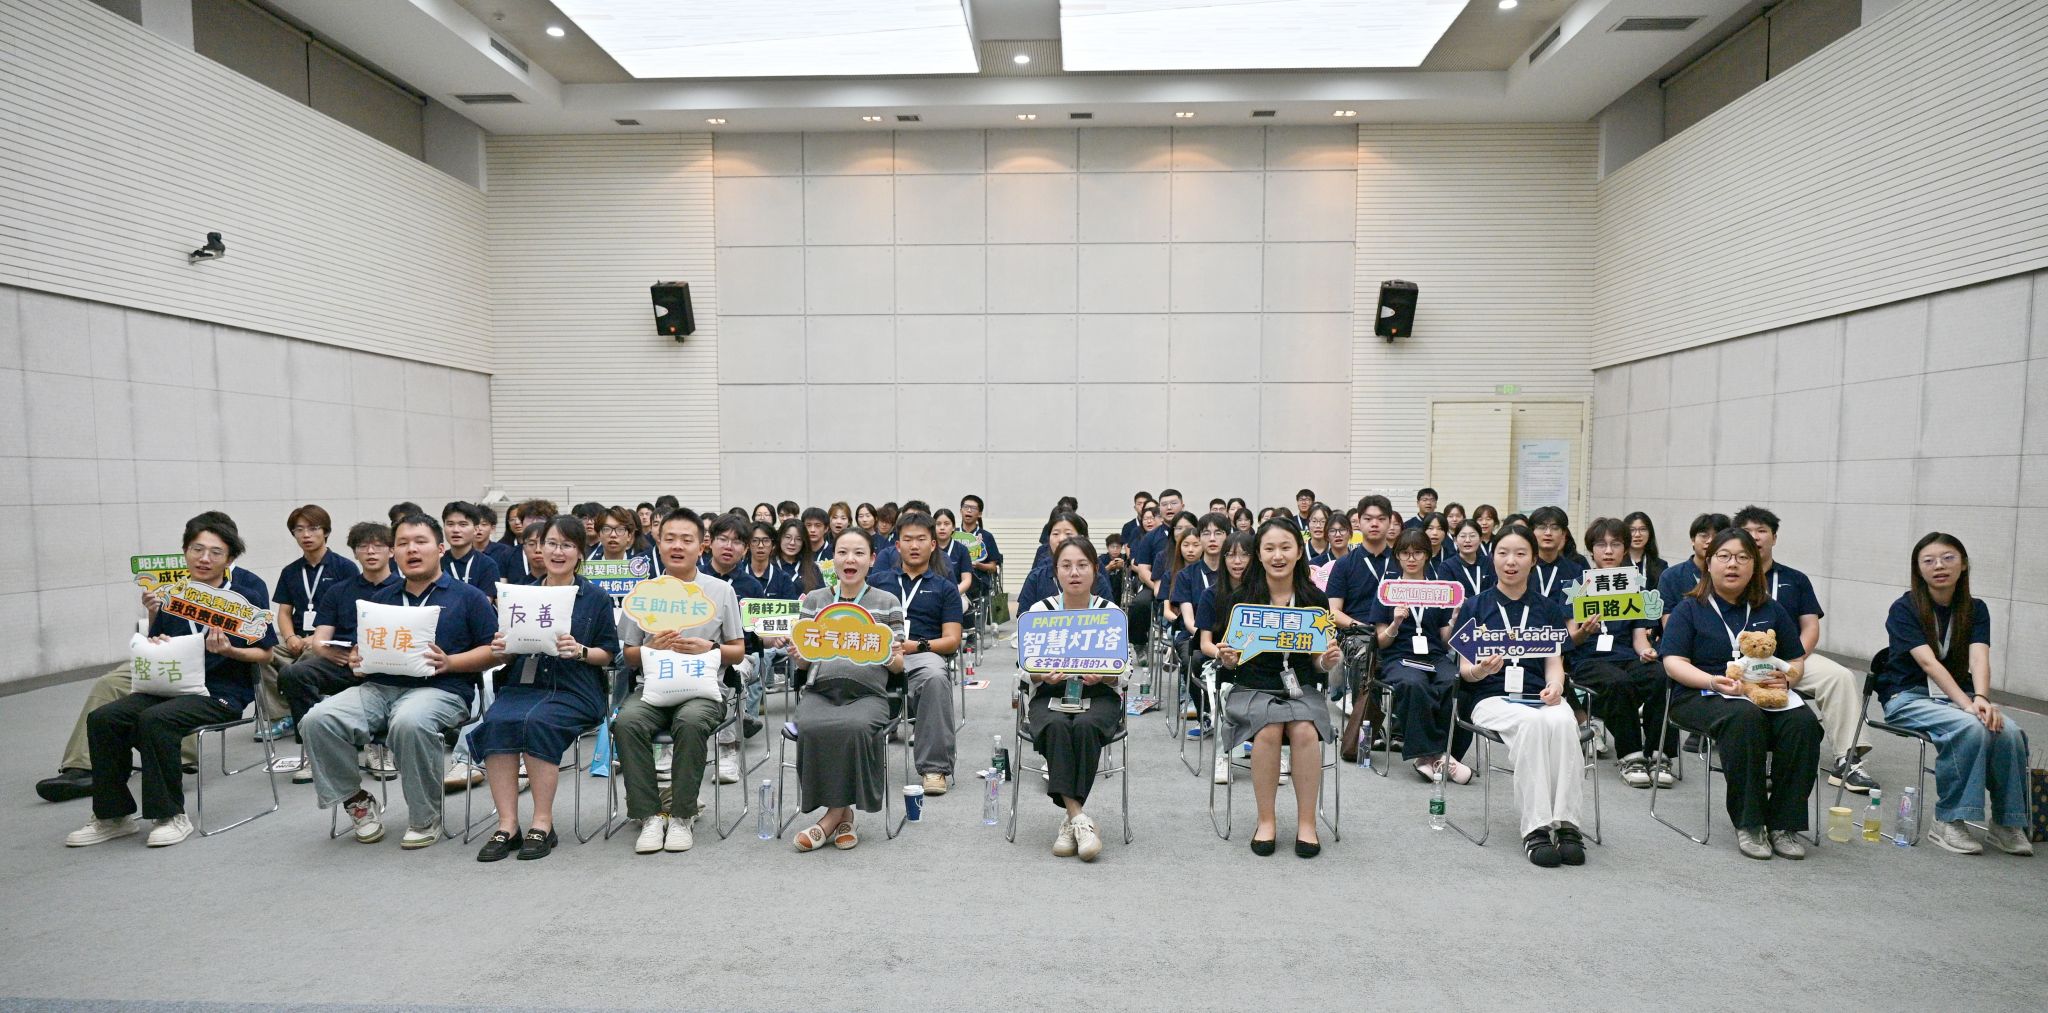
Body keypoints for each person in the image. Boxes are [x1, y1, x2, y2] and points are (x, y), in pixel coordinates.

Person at [65, 515, 279, 848]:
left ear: (229, 559)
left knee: (155, 720)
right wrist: (155, 633)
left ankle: (171, 815)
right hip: (170, 684)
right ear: (185, 552)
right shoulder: (173, 595)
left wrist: (230, 651)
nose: (204, 558)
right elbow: (157, 639)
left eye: (215, 552)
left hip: (219, 693)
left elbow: (265, 654)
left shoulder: (243, 598)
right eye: (197, 549)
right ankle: (113, 816)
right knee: (104, 718)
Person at [302, 514, 498, 850]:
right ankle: (357, 801)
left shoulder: (468, 597)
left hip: (442, 690)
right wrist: (358, 660)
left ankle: (425, 817)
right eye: (403, 543)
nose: (412, 549)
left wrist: (451, 662)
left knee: (409, 721)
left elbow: (495, 651)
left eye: (420, 542)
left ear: (440, 549)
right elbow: (364, 649)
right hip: (378, 688)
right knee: (318, 719)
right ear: (394, 552)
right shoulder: (381, 599)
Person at [1660, 528, 1820, 861]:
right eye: (1724, 556)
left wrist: (1788, 678)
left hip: (1762, 693)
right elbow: (1673, 662)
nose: (1733, 564)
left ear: (1754, 566)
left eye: (1743, 557)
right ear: (1709, 563)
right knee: (1744, 718)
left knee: (1803, 723)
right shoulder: (1689, 608)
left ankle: (1784, 823)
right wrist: (1711, 680)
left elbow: (1795, 659)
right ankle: (1751, 822)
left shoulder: (1770, 609)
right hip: (1701, 694)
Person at [469, 517, 619, 862]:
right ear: (539, 548)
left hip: (575, 687)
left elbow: (608, 654)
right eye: (551, 543)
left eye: (567, 545)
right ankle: (507, 825)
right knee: (498, 722)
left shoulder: (595, 598)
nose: (557, 551)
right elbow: (505, 652)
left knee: (538, 722)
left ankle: (542, 823)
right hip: (524, 683)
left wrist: (581, 651)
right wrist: (501, 647)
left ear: (580, 553)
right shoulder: (521, 594)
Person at [1874, 534, 2032, 856]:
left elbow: (1979, 658)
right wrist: (1968, 706)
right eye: (1929, 561)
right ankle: (1948, 820)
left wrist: (1982, 699)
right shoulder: (1904, 608)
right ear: (1918, 570)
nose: (1939, 566)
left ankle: (2006, 822)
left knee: (2010, 731)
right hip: (1908, 697)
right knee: (1970, 727)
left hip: (1959, 697)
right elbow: (1928, 663)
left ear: (1964, 565)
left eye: (1948, 558)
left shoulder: (1975, 609)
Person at [1450, 524, 1592, 868]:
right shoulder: (1474, 606)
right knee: (1533, 724)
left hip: (1537, 695)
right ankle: (1536, 828)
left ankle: (1567, 823)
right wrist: (1481, 670)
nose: (1510, 561)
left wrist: (1556, 687)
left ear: (1533, 560)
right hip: (1489, 698)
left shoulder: (1548, 608)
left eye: (1520, 554)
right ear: (1493, 558)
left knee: (1563, 721)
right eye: (1503, 553)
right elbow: (1464, 670)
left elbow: (1554, 664)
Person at [613, 509, 748, 855]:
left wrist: (710, 648)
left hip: (703, 691)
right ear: (657, 545)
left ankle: (682, 815)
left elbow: (738, 651)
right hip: (652, 689)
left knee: (689, 721)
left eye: (686, 540)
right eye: (669, 539)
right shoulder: (642, 593)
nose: (677, 546)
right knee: (627, 722)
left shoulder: (720, 591)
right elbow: (628, 656)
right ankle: (649, 814)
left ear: (701, 546)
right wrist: (650, 648)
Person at [1207, 521, 1344, 858]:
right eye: (1269, 548)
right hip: (1251, 686)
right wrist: (1228, 658)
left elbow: (1316, 663)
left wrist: (1326, 661)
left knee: (1304, 730)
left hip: (1300, 687)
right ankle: (1265, 821)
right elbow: (1231, 661)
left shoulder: (1314, 599)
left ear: (1299, 552)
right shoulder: (1241, 599)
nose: (1278, 555)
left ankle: (1307, 824)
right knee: (1268, 729)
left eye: (1285, 547)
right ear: (1259, 554)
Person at [1732, 505, 1873, 794]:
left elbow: (1810, 627)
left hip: (1789, 658)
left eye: (1762, 531)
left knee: (1840, 676)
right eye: (1748, 531)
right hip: (1742, 662)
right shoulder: (1731, 578)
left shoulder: (1795, 579)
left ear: (1774, 538)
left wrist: (1794, 664)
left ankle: (1848, 760)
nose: (1755, 537)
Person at [790, 529, 907, 852]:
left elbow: (898, 667)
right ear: (833, 560)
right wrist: (799, 656)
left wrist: (891, 655)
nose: (849, 559)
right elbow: (803, 664)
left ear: (872, 559)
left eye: (858, 553)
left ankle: (829, 820)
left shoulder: (887, 602)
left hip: (868, 694)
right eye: (842, 553)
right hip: (820, 690)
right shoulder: (816, 600)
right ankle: (844, 817)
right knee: (810, 726)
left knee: (854, 728)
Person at [276, 522, 400, 783]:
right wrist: (328, 652)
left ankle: (378, 747)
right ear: (354, 553)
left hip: (387, 664)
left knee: (389, 678)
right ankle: (315, 749)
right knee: (293, 673)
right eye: (363, 546)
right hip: (343, 662)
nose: (370, 552)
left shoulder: (403, 589)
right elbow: (320, 639)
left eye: (378, 546)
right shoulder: (339, 590)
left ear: (391, 551)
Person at [1567, 518, 1675, 789]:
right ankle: (1631, 755)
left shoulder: (1634, 586)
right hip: (1588, 660)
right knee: (1618, 682)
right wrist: (1585, 632)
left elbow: (1639, 638)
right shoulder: (1577, 586)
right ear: (1591, 550)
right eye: (1601, 545)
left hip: (1627, 657)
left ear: (1625, 549)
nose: (1608, 551)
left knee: (1661, 675)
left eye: (1615, 544)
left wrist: (1647, 651)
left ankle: (1659, 753)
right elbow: (1570, 639)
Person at [870, 513, 964, 796]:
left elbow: (952, 640)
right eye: (908, 539)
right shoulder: (876, 582)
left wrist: (917, 646)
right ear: (897, 545)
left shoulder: (945, 588)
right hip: (876, 653)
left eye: (921, 539)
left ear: (933, 544)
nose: (914, 545)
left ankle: (934, 768)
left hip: (920, 655)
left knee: (935, 677)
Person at [1368, 529, 1468, 785]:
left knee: (1455, 681)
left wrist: (1455, 620)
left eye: (1418, 553)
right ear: (1397, 556)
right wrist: (1395, 623)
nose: (1411, 559)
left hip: (1434, 655)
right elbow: (1380, 641)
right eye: (1405, 553)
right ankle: (1430, 755)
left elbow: (1445, 641)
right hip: (1398, 656)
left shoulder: (1439, 590)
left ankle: (1441, 754)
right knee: (1413, 684)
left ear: (1428, 555)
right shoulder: (1388, 590)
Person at [266, 505, 360, 742]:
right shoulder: (290, 571)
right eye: (299, 530)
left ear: (326, 531)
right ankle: (282, 716)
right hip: (296, 638)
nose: (306, 535)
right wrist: (290, 638)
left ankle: (310, 704)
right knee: (262, 652)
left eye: (313, 528)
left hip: (327, 639)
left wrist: (313, 639)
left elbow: (349, 615)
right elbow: (284, 612)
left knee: (310, 655)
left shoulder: (345, 568)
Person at [1328, 494, 1394, 628]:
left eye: (1381, 519)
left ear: (1390, 522)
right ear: (1358, 522)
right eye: (1368, 519)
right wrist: (1364, 629)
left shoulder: (1402, 561)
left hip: (1398, 633)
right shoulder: (1343, 564)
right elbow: (1334, 612)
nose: (1374, 524)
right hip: (1356, 634)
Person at [1657, 512, 1730, 621]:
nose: (1710, 541)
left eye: (1717, 536)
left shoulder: (1732, 575)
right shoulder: (1671, 576)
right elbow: (1668, 622)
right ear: (1693, 540)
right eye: (1704, 536)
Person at [439, 501, 502, 601]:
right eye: (450, 524)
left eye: (463, 524)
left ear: (476, 530)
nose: (455, 530)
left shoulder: (487, 565)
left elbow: (484, 604)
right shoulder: (437, 563)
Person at [1527, 506, 1584, 608]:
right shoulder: (1522, 568)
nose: (1548, 533)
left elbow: (1579, 607)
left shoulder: (1575, 571)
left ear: (1563, 534)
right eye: (1542, 527)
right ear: (1532, 532)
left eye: (1555, 528)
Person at [959, 494, 1005, 612]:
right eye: (966, 507)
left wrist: (979, 565)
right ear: (961, 511)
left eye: (973, 508)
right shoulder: (952, 534)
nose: (969, 510)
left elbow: (993, 567)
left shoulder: (987, 536)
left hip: (978, 580)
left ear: (979, 514)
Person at [1435, 519, 1493, 600]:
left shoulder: (1490, 563)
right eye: (1463, 536)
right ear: (1455, 540)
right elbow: (1449, 598)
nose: (1467, 540)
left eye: (1472, 536)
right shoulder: (1446, 567)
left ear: (1480, 539)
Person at [774, 518, 826, 593]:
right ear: (780, 538)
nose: (792, 543)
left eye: (798, 539)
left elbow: (820, 595)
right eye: (788, 537)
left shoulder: (812, 568)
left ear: (803, 542)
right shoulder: (769, 564)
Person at [1623, 511, 1666, 590]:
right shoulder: (1617, 565)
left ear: (1650, 533)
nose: (1637, 534)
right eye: (1632, 530)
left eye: (1643, 529)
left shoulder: (1661, 565)